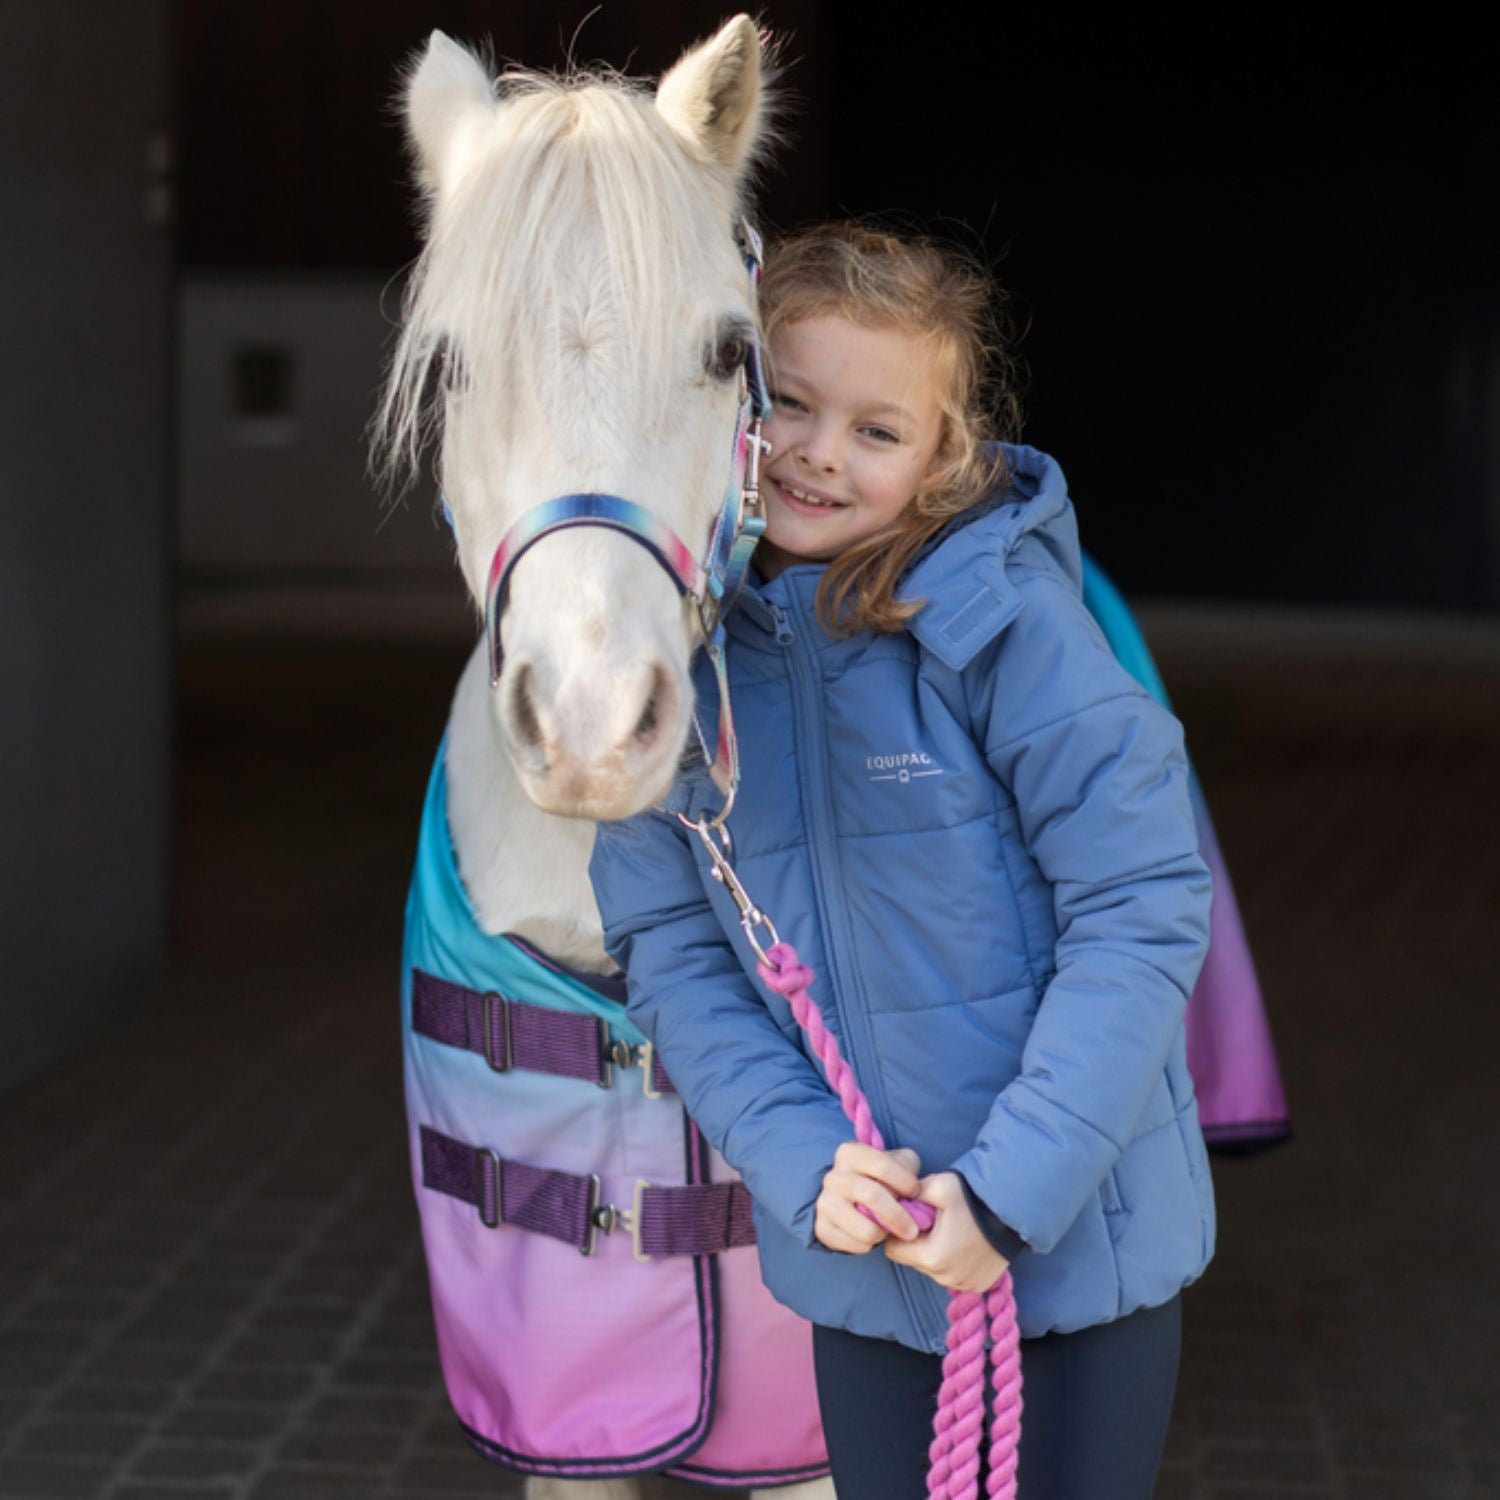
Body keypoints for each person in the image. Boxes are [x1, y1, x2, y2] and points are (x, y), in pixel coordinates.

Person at [589, 222, 1215, 1500]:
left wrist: (1009, 1196)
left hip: (1075, 1253)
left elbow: (1142, 906)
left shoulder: (1005, 633)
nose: (822, 453)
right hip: (870, 1270)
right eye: (794, 407)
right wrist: (803, 1160)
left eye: (878, 430)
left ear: (944, 454)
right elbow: (672, 949)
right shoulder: (674, 672)